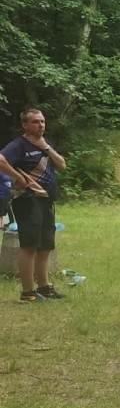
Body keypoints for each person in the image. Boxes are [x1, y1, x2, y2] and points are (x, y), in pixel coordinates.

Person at [0, 108, 67, 302]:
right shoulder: (18, 145)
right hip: (28, 200)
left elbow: (62, 165)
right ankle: (28, 292)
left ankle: (44, 287)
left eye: (42, 121)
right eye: (35, 122)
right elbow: (1, 159)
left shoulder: (46, 143)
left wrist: (46, 148)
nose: (40, 125)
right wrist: (18, 177)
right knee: (29, 245)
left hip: (46, 199)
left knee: (45, 245)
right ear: (25, 125)